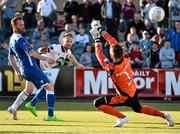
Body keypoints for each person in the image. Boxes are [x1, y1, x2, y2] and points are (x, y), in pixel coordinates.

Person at [89, 20, 174, 127]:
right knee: (138, 108)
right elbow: (113, 41)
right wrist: (101, 31)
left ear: (112, 56)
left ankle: (122, 117)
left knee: (97, 103)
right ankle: (165, 115)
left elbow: (99, 55)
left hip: (124, 96)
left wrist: (97, 39)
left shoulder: (112, 68)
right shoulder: (124, 57)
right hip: (132, 90)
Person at [7, 31, 84, 120]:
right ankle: (46, 113)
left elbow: (71, 57)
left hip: (39, 68)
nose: (69, 43)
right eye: (67, 41)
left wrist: (77, 64)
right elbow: (41, 50)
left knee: (29, 90)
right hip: (36, 65)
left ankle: (14, 108)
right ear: (62, 41)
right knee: (49, 86)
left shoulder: (68, 51)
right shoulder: (56, 47)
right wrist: (44, 53)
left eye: (70, 41)